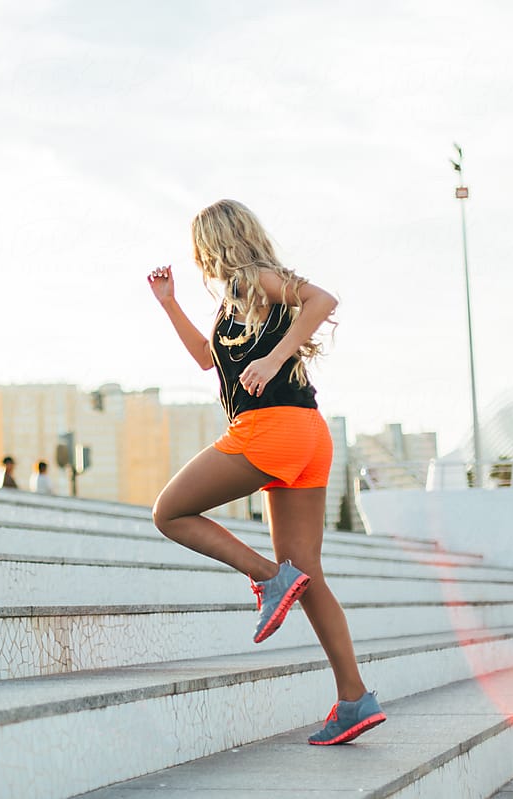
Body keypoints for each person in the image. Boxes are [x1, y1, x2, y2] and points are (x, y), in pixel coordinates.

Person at [146, 199, 385, 746]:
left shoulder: (256, 278)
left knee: (170, 512)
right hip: (307, 434)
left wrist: (275, 359)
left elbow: (323, 299)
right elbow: (208, 358)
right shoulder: (239, 297)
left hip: (270, 430)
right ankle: (354, 699)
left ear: (216, 242)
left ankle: (266, 578)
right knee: (308, 573)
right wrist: (170, 305)